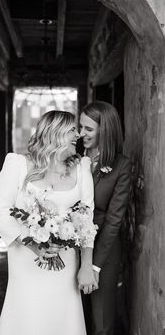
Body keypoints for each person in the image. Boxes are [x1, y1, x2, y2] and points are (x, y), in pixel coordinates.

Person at [0, 110, 98, 335]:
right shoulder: (17, 165)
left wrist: (87, 266)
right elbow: (0, 212)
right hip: (25, 260)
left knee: (62, 319)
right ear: (55, 134)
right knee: (28, 318)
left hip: (66, 264)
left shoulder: (82, 169)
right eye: (72, 130)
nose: (78, 134)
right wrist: (34, 245)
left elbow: (87, 222)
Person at [78, 101, 131, 335]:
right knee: (75, 316)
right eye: (81, 127)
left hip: (104, 251)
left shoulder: (121, 166)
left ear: (105, 130)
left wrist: (94, 266)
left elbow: (114, 220)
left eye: (88, 129)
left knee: (101, 322)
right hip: (70, 247)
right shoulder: (74, 158)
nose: (81, 134)